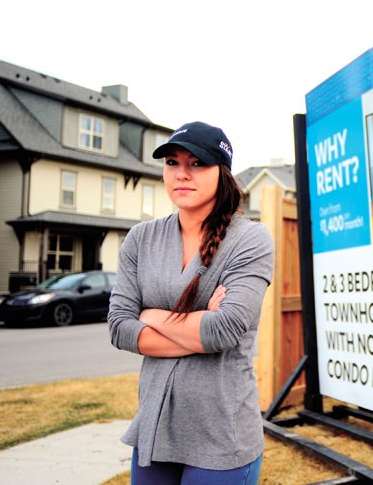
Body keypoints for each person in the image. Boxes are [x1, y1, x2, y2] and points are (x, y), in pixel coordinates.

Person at [108, 121, 274, 485]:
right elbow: (120, 327)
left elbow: (223, 330)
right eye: (172, 162)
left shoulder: (250, 240)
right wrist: (194, 325)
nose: (181, 174)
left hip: (221, 436)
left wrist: (150, 316)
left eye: (196, 163)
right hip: (155, 429)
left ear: (222, 172)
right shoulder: (141, 238)